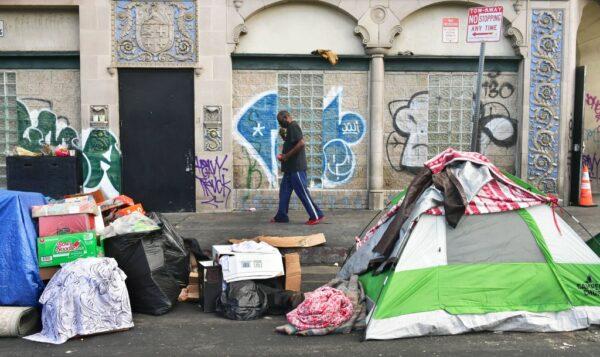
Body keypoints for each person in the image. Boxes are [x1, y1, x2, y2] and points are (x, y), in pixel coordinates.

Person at [271, 110, 324, 225]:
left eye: (280, 121)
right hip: (289, 169)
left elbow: (301, 143)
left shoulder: (293, 126)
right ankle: (281, 216)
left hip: (296, 168)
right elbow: (292, 143)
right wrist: (284, 137)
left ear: (286, 118)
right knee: (284, 192)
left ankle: (316, 215)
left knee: (302, 192)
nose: (280, 124)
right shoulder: (289, 129)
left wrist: (285, 156)